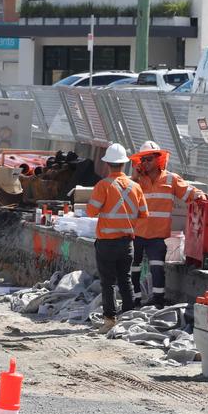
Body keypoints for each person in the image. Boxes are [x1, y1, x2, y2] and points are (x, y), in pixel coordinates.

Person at [132, 140, 205, 307]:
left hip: (157, 235)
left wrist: (199, 195)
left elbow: (189, 192)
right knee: (133, 269)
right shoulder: (136, 181)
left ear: (158, 159)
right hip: (135, 233)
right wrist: (134, 178)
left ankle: (158, 301)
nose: (145, 163)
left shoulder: (171, 179)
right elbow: (123, 195)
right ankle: (134, 300)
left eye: (149, 159)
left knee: (157, 268)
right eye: (142, 160)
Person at [86, 143, 149, 334]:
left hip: (106, 242)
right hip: (127, 242)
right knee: (125, 279)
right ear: (124, 164)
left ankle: (110, 320)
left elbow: (91, 211)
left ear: (107, 164)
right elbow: (144, 213)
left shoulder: (103, 185)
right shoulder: (136, 186)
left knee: (108, 282)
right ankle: (128, 318)